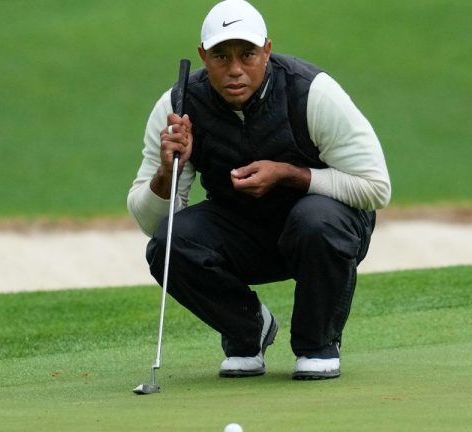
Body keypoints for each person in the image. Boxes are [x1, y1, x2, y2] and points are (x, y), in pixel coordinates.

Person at [127, 0, 390, 380]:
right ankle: (248, 330)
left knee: (315, 219)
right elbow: (152, 224)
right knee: (169, 244)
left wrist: (289, 174)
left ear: (266, 50)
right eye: (221, 56)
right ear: (203, 56)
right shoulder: (179, 105)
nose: (235, 69)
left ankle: (318, 344)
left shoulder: (311, 93)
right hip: (244, 234)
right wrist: (167, 172)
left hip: (321, 232)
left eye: (247, 54)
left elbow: (376, 188)